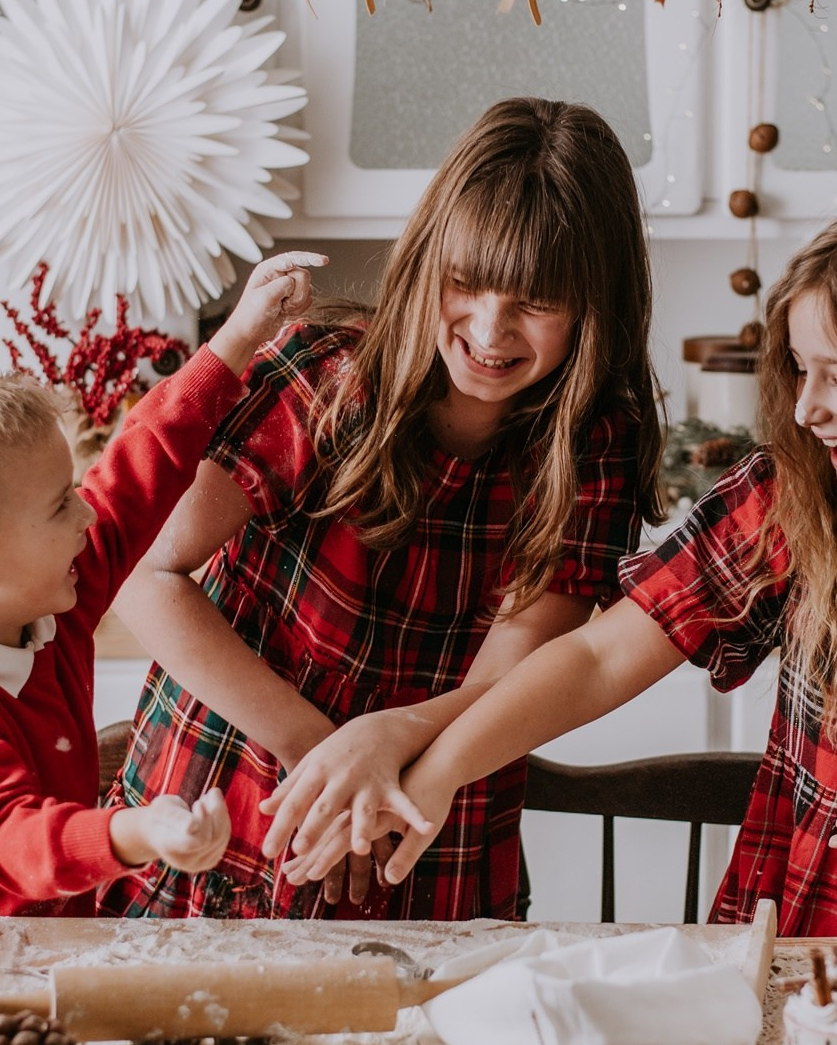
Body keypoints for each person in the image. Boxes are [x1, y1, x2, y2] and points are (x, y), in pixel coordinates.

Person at [281, 198, 837, 951]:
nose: (804, 410)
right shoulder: (787, 506)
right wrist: (440, 768)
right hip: (802, 935)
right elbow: (603, 655)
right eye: (799, 372)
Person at [100, 97, 666, 921]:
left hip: (427, 837)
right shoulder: (323, 378)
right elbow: (146, 573)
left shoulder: (596, 442)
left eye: (536, 301)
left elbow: (517, 671)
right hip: (230, 805)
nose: (489, 327)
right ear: (429, 258)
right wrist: (326, 755)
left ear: (594, 305)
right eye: (466, 283)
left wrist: (388, 755)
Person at [0, 251, 324, 937]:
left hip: (47, 946)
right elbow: (11, 836)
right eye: (61, 504)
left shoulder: (31, 595)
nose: (87, 515)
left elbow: (134, 471)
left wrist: (237, 338)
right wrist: (136, 831)